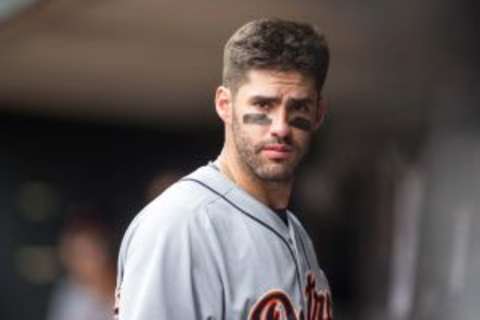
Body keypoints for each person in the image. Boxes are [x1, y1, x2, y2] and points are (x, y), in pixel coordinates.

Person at [115, 18, 332, 320]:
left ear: (319, 113)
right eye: (263, 106)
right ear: (224, 105)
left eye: (299, 108)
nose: (281, 127)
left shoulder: (296, 233)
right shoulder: (182, 225)